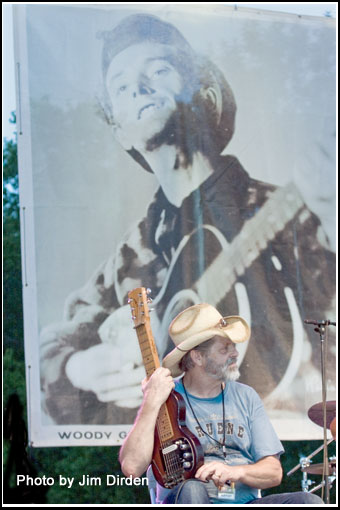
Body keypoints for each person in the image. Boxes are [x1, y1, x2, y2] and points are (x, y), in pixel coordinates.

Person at [39, 13, 335, 425]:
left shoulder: (284, 212)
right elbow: (51, 347)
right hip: (170, 450)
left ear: (205, 92)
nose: (138, 87)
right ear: (120, 131)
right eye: (121, 87)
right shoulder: (131, 253)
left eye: (158, 69)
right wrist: (81, 367)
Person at [119, 303, 324, 504]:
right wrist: (151, 402)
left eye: (233, 346)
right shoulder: (163, 395)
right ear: (198, 357)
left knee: (309, 501)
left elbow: (274, 472)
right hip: (189, 498)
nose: (235, 353)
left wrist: (236, 472)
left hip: (245, 503)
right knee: (192, 489)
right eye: (225, 349)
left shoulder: (246, 396)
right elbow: (131, 467)